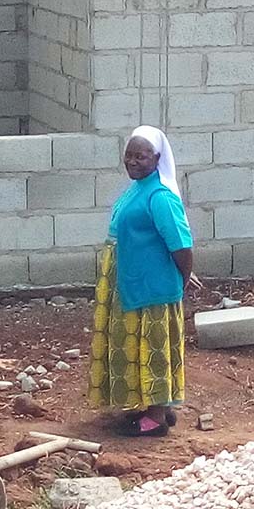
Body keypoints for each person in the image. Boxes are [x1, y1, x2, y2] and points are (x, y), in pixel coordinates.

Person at [88, 125, 200, 437]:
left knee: (153, 348)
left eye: (142, 156)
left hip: (152, 288)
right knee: (137, 346)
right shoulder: (139, 189)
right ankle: (157, 406)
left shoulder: (160, 196)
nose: (133, 161)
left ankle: (156, 418)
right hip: (133, 282)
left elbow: (180, 243)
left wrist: (184, 276)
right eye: (129, 155)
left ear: (157, 158)